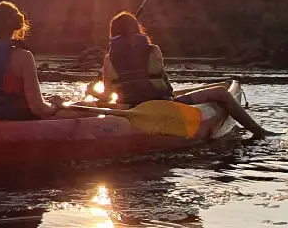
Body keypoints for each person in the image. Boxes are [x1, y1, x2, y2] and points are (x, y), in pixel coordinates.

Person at [102, 11, 270, 136]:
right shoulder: (153, 50)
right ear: (136, 29)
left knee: (217, 89)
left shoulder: (109, 58)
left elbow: (109, 94)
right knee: (221, 92)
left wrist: (93, 92)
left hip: (131, 109)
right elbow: (160, 85)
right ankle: (260, 132)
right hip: (164, 106)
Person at [0, 1, 80, 120]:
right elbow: (38, 108)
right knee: (77, 110)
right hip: (15, 122)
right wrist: (56, 106)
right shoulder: (24, 57)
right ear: (16, 27)